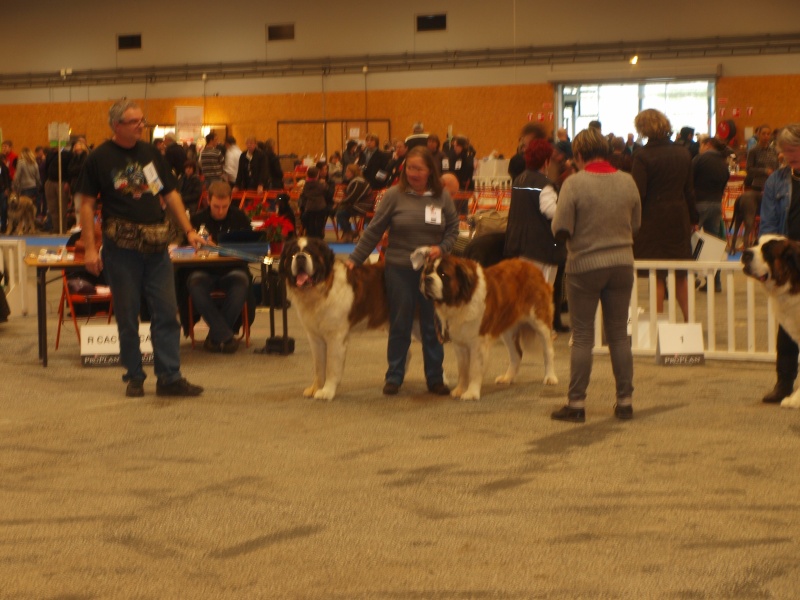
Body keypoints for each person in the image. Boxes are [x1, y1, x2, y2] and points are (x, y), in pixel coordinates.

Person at [75, 99, 204, 398]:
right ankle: (134, 375)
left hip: (156, 248)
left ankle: (170, 377)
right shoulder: (98, 158)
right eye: (134, 121)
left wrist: (188, 230)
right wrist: (91, 250)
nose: (141, 125)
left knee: (166, 313)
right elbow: (87, 205)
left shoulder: (149, 154)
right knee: (127, 314)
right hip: (121, 251)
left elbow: (168, 194)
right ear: (117, 125)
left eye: (142, 120)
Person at [347, 146, 459, 396]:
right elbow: (374, 229)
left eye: (418, 168)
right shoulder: (393, 196)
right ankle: (394, 376)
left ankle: (435, 377)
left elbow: (453, 229)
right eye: (409, 168)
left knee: (432, 325)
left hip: (431, 271)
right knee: (400, 322)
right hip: (399, 268)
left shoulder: (442, 197)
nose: (413, 173)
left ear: (430, 170)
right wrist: (355, 259)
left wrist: (441, 248)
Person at [550, 127, 642, 423]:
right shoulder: (628, 182)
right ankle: (625, 401)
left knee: (583, 336)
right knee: (618, 334)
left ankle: (576, 404)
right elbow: (636, 224)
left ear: (578, 155)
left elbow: (561, 227)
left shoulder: (574, 184)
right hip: (622, 264)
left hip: (584, 266)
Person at [631, 108, 698, 322]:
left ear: (642, 129)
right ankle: (690, 322)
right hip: (679, 218)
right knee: (681, 273)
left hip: (652, 221)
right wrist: (694, 219)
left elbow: (638, 193)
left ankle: (657, 324)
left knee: (656, 275)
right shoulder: (683, 153)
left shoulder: (642, 156)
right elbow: (689, 191)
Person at [503, 137, 568, 332]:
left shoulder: (518, 180)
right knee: (543, 291)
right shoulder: (545, 184)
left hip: (519, 244)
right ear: (546, 161)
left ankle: (524, 327)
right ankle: (542, 329)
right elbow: (551, 212)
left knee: (524, 290)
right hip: (542, 248)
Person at [757, 124, 800, 405]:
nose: (788, 160)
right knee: (787, 325)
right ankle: (784, 382)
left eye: (793, 155)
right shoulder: (777, 181)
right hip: (790, 262)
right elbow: (769, 227)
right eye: (785, 154)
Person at [186, 181, 252, 353]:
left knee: (242, 282)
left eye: (224, 206)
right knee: (194, 283)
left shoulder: (240, 218)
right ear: (208, 200)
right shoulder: (197, 219)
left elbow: (250, 249)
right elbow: (184, 249)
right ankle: (225, 336)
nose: (220, 211)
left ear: (231, 201)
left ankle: (215, 337)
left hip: (233, 271)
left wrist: (218, 248)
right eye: (216, 206)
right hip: (203, 271)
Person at [692, 136, 730, 293]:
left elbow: (689, 181)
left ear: (707, 145)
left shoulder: (699, 160)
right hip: (715, 204)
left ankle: (690, 277)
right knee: (713, 244)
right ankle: (715, 282)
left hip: (698, 203)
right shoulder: (723, 164)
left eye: (701, 144)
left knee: (690, 240)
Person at [335, 163, 371, 242]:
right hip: (359, 204)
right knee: (342, 210)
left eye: (347, 171)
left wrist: (341, 201)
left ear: (353, 172)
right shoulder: (357, 180)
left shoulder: (358, 182)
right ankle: (349, 232)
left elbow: (353, 197)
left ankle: (348, 233)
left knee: (340, 213)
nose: (345, 173)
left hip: (361, 206)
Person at [745, 124, 779, 192]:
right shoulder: (753, 151)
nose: (766, 136)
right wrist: (765, 171)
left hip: (773, 184)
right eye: (763, 134)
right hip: (758, 185)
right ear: (758, 134)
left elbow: (777, 166)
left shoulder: (774, 150)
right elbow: (749, 169)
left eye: (768, 134)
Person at [298, 166, 328, 239]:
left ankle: (310, 237)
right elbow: (325, 191)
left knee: (310, 224)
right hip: (320, 206)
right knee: (319, 224)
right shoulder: (320, 184)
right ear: (317, 175)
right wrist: (324, 184)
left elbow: (305, 194)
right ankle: (319, 237)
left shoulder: (306, 184)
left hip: (310, 207)